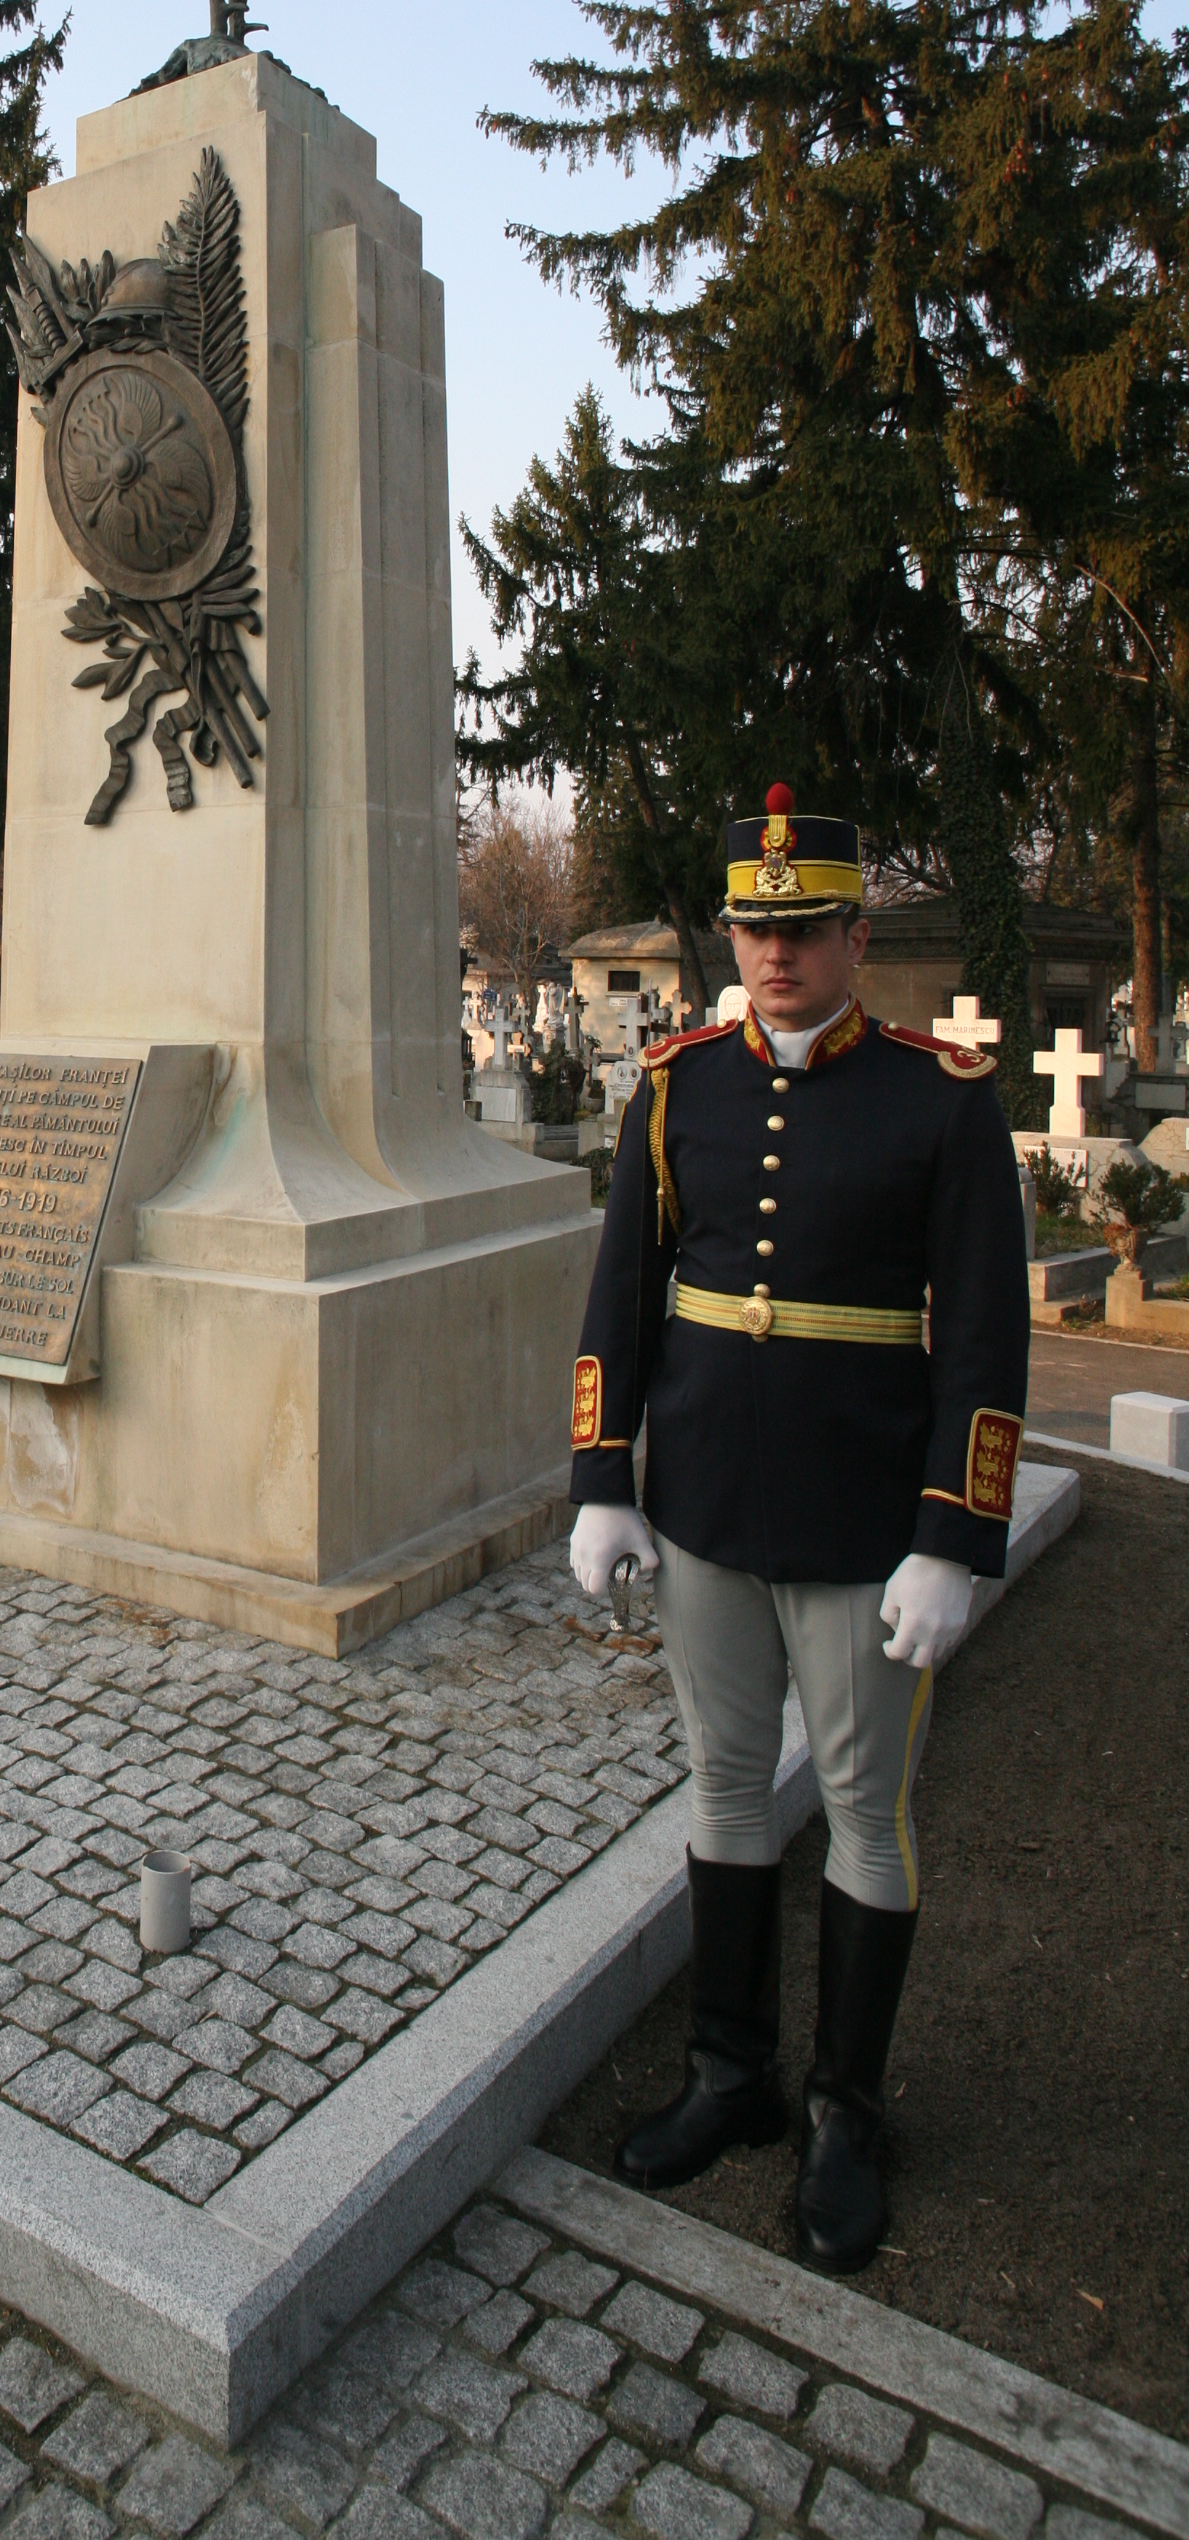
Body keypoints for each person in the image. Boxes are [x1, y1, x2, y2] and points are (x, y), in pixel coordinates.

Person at [567, 784, 1028, 2270]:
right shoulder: (673, 1084)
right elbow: (622, 1297)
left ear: (853, 934)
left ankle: (843, 2109)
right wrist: (602, 1476)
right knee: (718, 1785)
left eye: (805, 929)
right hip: (703, 1503)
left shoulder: (941, 1097)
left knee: (863, 1808)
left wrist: (956, 1534)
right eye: (757, 928)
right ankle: (730, 2075)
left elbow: (983, 1343)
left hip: (862, 1522)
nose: (776, 952)